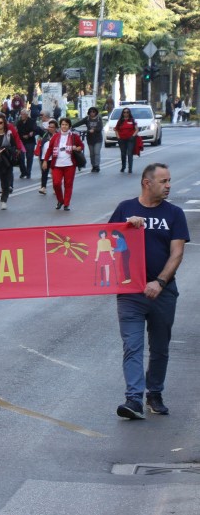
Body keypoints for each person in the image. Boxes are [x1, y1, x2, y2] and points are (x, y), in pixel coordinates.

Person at [109, 163, 189, 419]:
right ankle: (133, 399)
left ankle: (154, 393)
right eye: (163, 181)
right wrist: (124, 229)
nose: (168, 185)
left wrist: (161, 282)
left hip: (162, 293)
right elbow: (107, 241)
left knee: (160, 347)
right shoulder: (125, 209)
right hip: (130, 292)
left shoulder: (174, 213)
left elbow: (177, 253)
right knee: (132, 346)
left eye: (169, 180)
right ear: (147, 183)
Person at [44, 117, 84, 211]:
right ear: (60, 126)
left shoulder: (74, 136)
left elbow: (81, 146)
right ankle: (60, 200)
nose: (64, 126)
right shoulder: (56, 136)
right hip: (57, 164)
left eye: (66, 124)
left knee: (68, 184)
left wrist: (76, 148)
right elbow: (49, 149)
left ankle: (66, 203)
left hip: (69, 164)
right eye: (62, 124)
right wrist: (45, 161)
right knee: (56, 183)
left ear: (69, 126)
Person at [72, 106, 104, 173]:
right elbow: (80, 123)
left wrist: (94, 130)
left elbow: (100, 128)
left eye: (93, 112)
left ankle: (97, 166)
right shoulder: (87, 119)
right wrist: (71, 126)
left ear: (96, 112)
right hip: (90, 138)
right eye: (90, 112)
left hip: (98, 139)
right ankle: (93, 166)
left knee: (96, 152)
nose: (92, 113)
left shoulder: (98, 119)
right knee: (92, 153)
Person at [114, 107, 139, 174]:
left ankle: (130, 168)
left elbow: (137, 129)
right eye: (124, 112)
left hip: (130, 139)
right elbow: (116, 129)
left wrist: (133, 136)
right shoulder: (120, 121)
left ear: (129, 113)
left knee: (130, 153)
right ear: (123, 113)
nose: (126, 113)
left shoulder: (132, 120)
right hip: (122, 139)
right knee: (123, 153)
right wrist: (118, 138)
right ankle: (123, 166)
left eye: (127, 112)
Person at [15, 110, 38, 179]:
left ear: (27, 115)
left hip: (30, 141)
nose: (22, 116)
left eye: (23, 114)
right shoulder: (19, 122)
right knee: (20, 157)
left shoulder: (32, 121)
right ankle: (23, 172)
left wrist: (30, 134)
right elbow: (17, 132)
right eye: (21, 114)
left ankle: (28, 173)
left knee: (29, 157)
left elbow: (35, 130)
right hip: (22, 142)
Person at [37, 119, 57, 195]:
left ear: (55, 128)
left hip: (54, 157)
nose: (50, 128)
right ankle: (43, 187)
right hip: (44, 157)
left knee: (54, 173)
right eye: (49, 127)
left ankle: (55, 188)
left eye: (52, 127)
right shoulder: (45, 134)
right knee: (44, 173)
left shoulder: (58, 135)